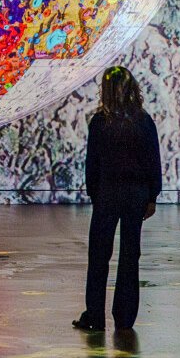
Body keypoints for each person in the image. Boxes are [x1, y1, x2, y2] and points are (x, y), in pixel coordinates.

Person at [73, 65, 161, 333]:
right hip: (135, 194)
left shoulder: (99, 122)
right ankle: (124, 318)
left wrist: (93, 193)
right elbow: (152, 160)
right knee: (129, 256)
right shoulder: (143, 121)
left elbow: (93, 164)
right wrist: (152, 195)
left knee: (99, 256)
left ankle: (95, 317)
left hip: (107, 194)